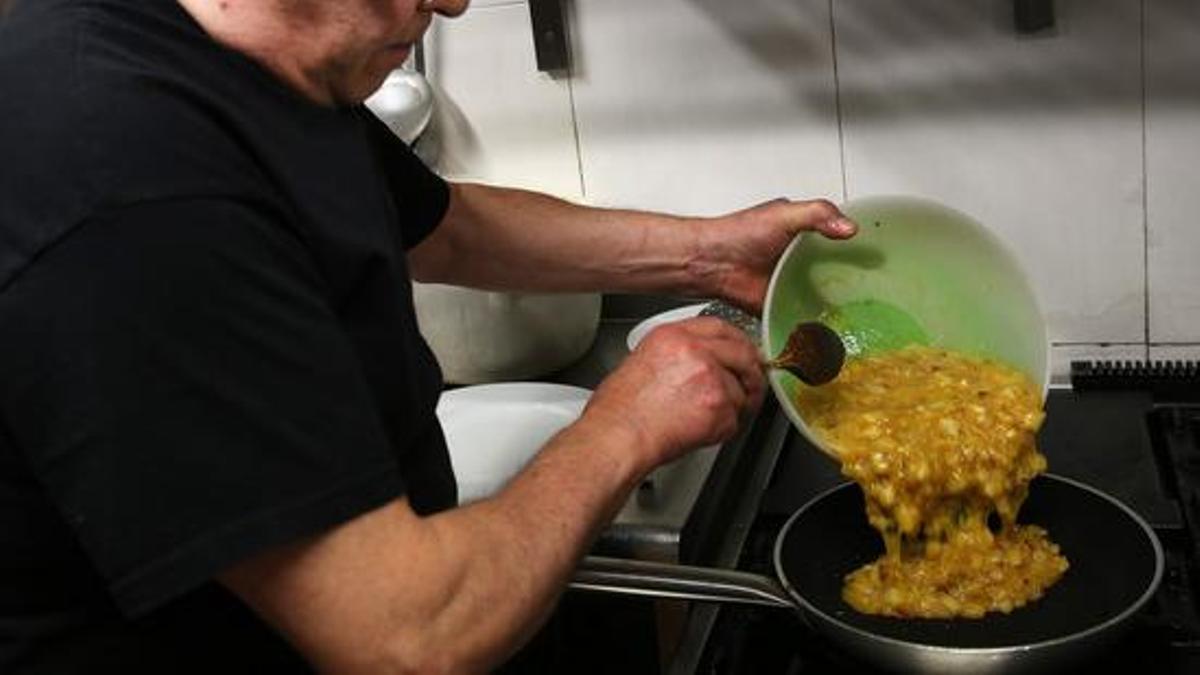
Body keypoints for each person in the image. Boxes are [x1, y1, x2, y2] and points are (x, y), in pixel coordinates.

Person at [0, 0, 857, 672]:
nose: (452, 4)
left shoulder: (263, 61)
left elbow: (450, 230)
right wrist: (628, 421)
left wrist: (709, 255)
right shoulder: (124, 175)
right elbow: (403, 637)